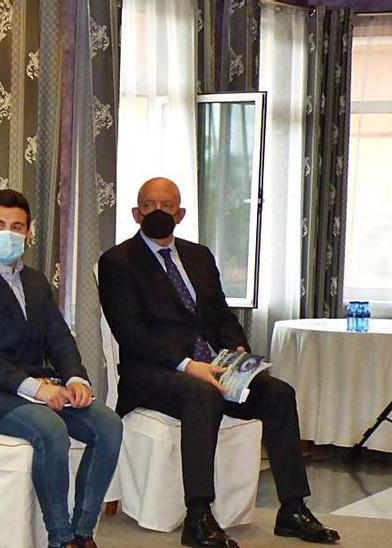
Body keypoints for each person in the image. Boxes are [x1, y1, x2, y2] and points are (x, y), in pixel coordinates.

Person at [98, 177, 340, 547]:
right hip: (154, 374)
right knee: (202, 395)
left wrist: (238, 349)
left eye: (167, 206)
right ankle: (198, 516)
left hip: (216, 366)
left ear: (180, 213)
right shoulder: (118, 261)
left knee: (278, 393)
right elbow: (131, 334)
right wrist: (187, 365)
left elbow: (222, 315)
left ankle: (292, 507)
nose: (158, 212)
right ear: (136, 212)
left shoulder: (199, 255)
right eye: (149, 205)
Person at [0, 190, 122, 548]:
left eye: (16, 226)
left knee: (108, 424)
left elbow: (59, 338)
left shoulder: (37, 282)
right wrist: (35, 388)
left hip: (38, 388)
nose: (7, 233)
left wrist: (75, 378)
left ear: (29, 233)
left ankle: (83, 532)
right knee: (50, 428)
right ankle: (60, 538)